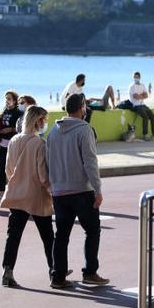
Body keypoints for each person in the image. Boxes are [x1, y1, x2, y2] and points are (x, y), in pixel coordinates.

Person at [46, 94, 108, 289]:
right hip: (81, 190)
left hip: (60, 191)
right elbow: (90, 161)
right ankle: (90, 272)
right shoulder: (84, 129)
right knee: (92, 230)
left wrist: (52, 186)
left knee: (61, 235)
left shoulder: (53, 131)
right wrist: (97, 189)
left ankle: (58, 276)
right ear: (82, 108)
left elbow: (48, 161)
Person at [0, 106, 55, 287]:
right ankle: (54, 271)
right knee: (48, 236)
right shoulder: (39, 143)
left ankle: (7, 270)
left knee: (13, 235)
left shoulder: (14, 140)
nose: (45, 123)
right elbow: (42, 174)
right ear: (37, 121)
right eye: (44, 120)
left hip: (16, 194)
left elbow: (8, 168)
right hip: (35, 195)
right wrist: (52, 190)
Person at [0, 91, 23, 203]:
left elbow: (21, 128)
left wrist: (10, 129)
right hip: (3, 142)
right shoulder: (4, 111)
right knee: (1, 167)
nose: (7, 100)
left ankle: (15, 191)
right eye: (6, 98)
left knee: (13, 167)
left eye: (9, 98)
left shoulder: (18, 112)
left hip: (13, 143)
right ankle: (1, 192)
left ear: (15, 100)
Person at [129, 72, 154, 140]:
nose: (135, 78)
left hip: (143, 105)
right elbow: (135, 96)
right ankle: (145, 134)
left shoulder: (142, 85)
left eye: (137, 77)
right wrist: (142, 95)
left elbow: (146, 95)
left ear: (139, 77)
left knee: (153, 117)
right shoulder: (132, 86)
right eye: (134, 77)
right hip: (136, 106)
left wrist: (141, 96)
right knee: (145, 117)